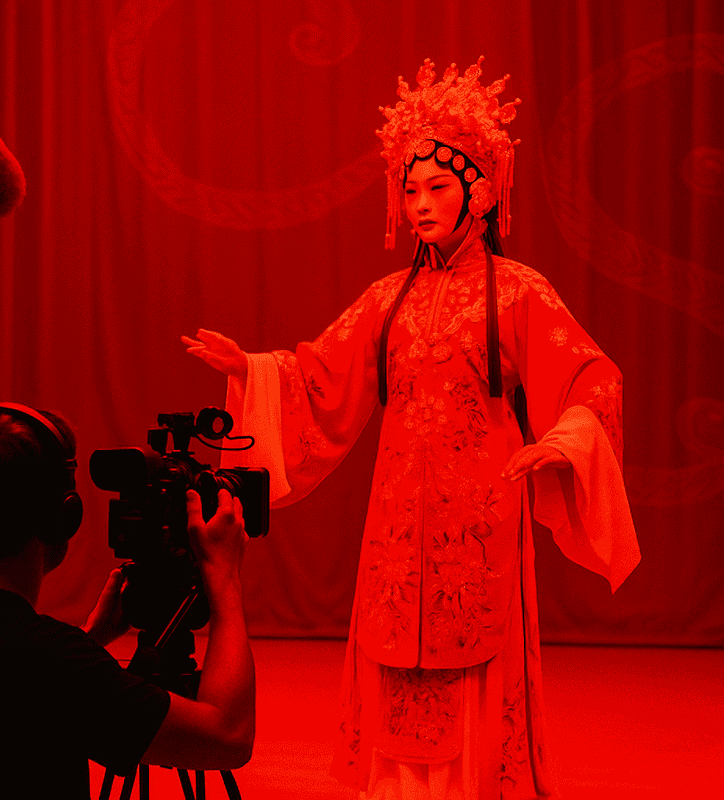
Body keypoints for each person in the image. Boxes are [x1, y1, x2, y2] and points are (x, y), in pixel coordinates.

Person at [183, 58, 640, 799]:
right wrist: (254, 369)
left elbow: (593, 375)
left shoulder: (520, 292)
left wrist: (569, 435)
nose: (421, 203)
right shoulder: (385, 298)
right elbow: (320, 375)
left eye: (438, 187)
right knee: (394, 646)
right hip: (396, 521)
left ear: (481, 194)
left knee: (475, 650)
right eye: (411, 188)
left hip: (484, 511)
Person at [0, 403, 255, 799]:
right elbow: (227, 736)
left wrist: (90, 639)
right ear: (63, 514)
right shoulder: (54, 662)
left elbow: (2, 691)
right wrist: (222, 576)